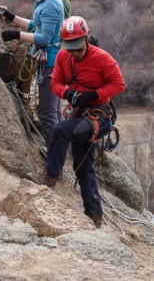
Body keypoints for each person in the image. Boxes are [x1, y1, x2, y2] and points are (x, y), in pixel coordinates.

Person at [28, 16, 125, 228]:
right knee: (82, 166)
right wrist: (68, 93)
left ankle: (50, 176)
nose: (74, 53)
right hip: (79, 113)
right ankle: (94, 215)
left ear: (87, 38)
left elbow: (118, 85)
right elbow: (55, 83)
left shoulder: (103, 58)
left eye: (78, 48)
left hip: (99, 115)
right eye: (70, 48)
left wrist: (93, 95)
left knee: (61, 130)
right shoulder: (64, 56)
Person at [0, 0, 64, 153]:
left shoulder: (52, 3)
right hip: (48, 61)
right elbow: (38, 26)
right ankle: (59, 148)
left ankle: (54, 157)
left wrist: (15, 34)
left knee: (46, 113)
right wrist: (12, 18)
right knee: (54, 111)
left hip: (50, 63)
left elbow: (44, 37)